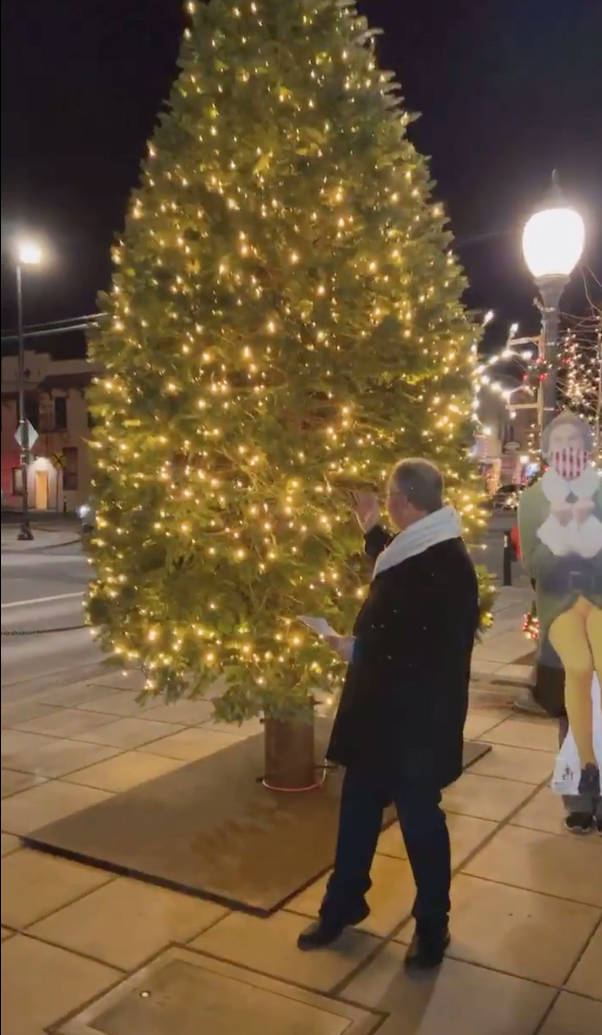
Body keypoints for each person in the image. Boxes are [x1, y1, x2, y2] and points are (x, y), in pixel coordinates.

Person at [298, 459, 479, 968]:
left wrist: (357, 649)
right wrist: (372, 527)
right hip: (381, 713)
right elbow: (396, 567)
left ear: (407, 500)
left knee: (421, 822)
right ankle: (342, 905)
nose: (388, 503)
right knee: (356, 811)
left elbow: (431, 647)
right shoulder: (424, 542)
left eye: (389, 498)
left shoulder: (446, 563)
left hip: (418, 722)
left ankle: (431, 926)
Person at [518, 413, 602, 833]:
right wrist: (563, 526)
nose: (567, 447)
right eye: (559, 441)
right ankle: (579, 797)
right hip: (558, 610)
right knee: (574, 691)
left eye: (575, 440)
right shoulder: (533, 500)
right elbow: (533, 563)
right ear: (549, 452)